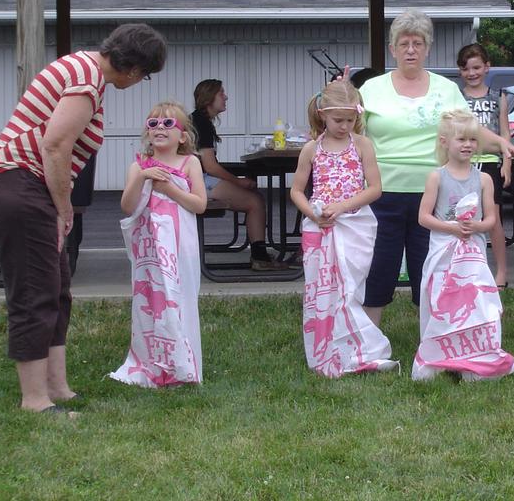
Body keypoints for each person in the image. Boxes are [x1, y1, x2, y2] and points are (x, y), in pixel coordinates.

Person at [0, 23, 167, 414]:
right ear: (133, 68)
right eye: (146, 75)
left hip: (26, 186)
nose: (141, 81)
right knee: (35, 292)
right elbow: (55, 145)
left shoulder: (83, 70)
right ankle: (35, 400)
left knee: (57, 287)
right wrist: (64, 208)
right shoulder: (86, 78)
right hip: (18, 184)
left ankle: (57, 387)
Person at [358, 9, 514, 327]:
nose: (411, 49)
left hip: (435, 194)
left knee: (432, 270)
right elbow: (348, 131)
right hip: (383, 193)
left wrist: (503, 144)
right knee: (379, 267)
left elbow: (470, 130)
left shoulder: (445, 89)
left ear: (427, 48)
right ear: (392, 49)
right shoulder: (370, 90)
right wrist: (336, 95)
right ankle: (369, 341)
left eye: (418, 43)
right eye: (404, 43)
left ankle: (436, 339)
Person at [290, 81, 398, 377]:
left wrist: (343, 206)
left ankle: (352, 346)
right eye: (339, 120)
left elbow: (374, 188)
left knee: (350, 288)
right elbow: (297, 191)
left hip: (354, 224)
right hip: (320, 227)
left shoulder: (362, 145)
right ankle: (323, 351)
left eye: (351, 120)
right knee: (322, 290)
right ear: (323, 114)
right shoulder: (312, 149)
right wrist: (313, 211)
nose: (345, 126)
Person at [413, 109, 514, 381]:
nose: (468, 145)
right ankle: (439, 353)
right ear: (444, 142)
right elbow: (424, 217)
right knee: (442, 297)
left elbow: (491, 218)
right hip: (443, 252)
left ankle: (474, 354)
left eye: (473, 140)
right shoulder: (436, 177)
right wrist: (451, 227)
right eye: (461, 139)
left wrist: (477, 227)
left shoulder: (483, 179)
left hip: (472, 253)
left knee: (473, 300)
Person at [110, 102, 206, 387]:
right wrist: (142, 177)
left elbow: (199, 204)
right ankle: (151, 362)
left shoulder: (190, 163)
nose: (159, 129)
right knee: (151, 302)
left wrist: (169, 189)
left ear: (183, 136)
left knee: (181, 298)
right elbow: (127, 206)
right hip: (150, 248)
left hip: (180, 244)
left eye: (168, 124)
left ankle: (184, 364)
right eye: (153, 124)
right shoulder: (138, 165)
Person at [191, 79, 287, 271]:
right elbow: (210, 166)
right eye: (221, 93)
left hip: (196, 179)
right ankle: (260, 258)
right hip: (197, 181)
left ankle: (260, 254)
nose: (226, 97)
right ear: (209, 97)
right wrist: (238, 182)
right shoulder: (201, 123)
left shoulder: (199, 120)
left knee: (254, 198)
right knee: (254, 202)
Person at [457, 43, 511, 288]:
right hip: (463, 162)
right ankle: (466, 268)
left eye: (477, 67)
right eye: (466, 69)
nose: (472, 73)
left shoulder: (498, 95)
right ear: (460, 71)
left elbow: (504, 131)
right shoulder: (457, 97)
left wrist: (506, 162)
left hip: (490, 163)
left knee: (493, 218)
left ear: (487, 67)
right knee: (461, 217)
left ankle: (501, 272)